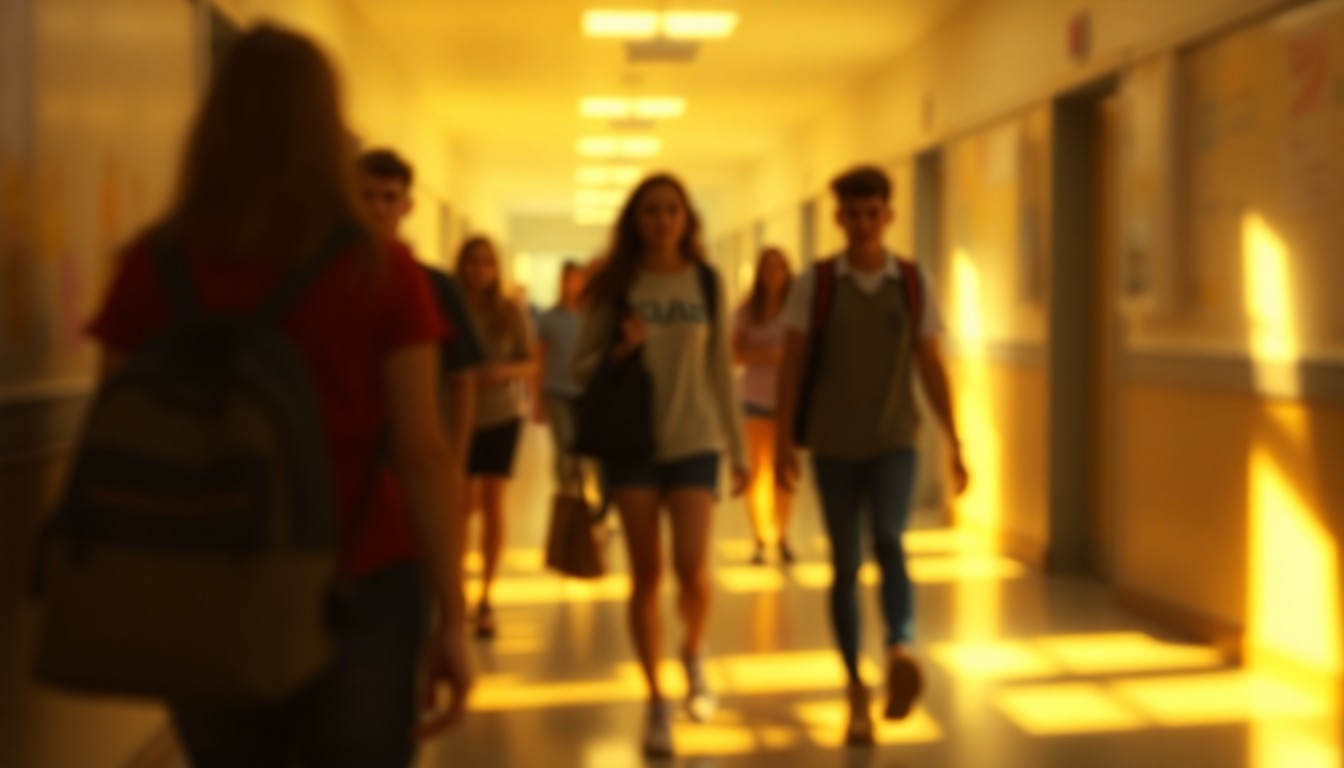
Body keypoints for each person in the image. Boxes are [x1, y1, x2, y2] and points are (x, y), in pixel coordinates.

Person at [85, 26, 470, 767]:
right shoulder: (380, 272)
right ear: (330, 133)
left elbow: (119, 430)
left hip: (207, 572)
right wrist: (452, 614)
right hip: (360, 575)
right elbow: (423, 455)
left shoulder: (152, 267)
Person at [775, 165, 969, 746]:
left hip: (894, 441)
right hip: (833, 445)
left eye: (872, 213)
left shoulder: (911, 282)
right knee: (844, 561)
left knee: (889, 538)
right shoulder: (817, 284)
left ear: (888, 216)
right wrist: (783, 439)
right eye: (852, 215)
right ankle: (856, 688)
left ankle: (900, 649)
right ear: (838, 218)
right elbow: (793, 365)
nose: (862, 224)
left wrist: (956, 440)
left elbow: (932, 364)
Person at [574, 173, 748, 758]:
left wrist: (740, 449)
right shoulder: (616, 284)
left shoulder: (707, 281)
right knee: (646, 574)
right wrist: (619, 351)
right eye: (651, 211)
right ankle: (656, 702)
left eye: (672, 209)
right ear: (635, 220)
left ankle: (693, 652)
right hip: (634, 446)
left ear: (687, 218)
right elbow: (578, 367)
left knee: (693, 569)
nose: (662, 220)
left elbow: (722, 370)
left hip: (696, 440)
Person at [357, 147, 486, 598]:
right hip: (348, 459)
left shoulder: (433, 285)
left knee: (415, 577)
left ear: (407, 206)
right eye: (367, 196)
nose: (378, 208)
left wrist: (456, 459)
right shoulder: (330, 278)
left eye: (389, 197)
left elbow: (463, 378)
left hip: (413, 456)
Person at [455, 235, 537, 639]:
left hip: (502, 415)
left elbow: (529, 360)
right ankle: (454, 591)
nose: (480, 270)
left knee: (492, 502)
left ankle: (486, 593)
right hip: (457, 417)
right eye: (473, 262)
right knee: (460, 505)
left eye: (487, 262)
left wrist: (499, 375)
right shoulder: (447, 306)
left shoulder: (510, 311)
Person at [731, 246, 795, 566]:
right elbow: (731, 355)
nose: (774, 274)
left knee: (785, 472)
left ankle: (781, 536)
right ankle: (759, 537)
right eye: (768, 268)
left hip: (788, 403)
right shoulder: (746, 311)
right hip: (755, 400)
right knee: (757, 474)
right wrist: (764, 357)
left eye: (779, 267)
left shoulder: (797, 310)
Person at [534, 260, 593, 491]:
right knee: (565, 444)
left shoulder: (590, 316)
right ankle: (567, 493)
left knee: (586, 449)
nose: (574, 285)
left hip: (585, 393)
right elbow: (540, 357)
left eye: (578, 279)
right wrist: (537, 398)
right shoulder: (549, 317)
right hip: (556, 390)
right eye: (570, 279)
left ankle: (585, 493)